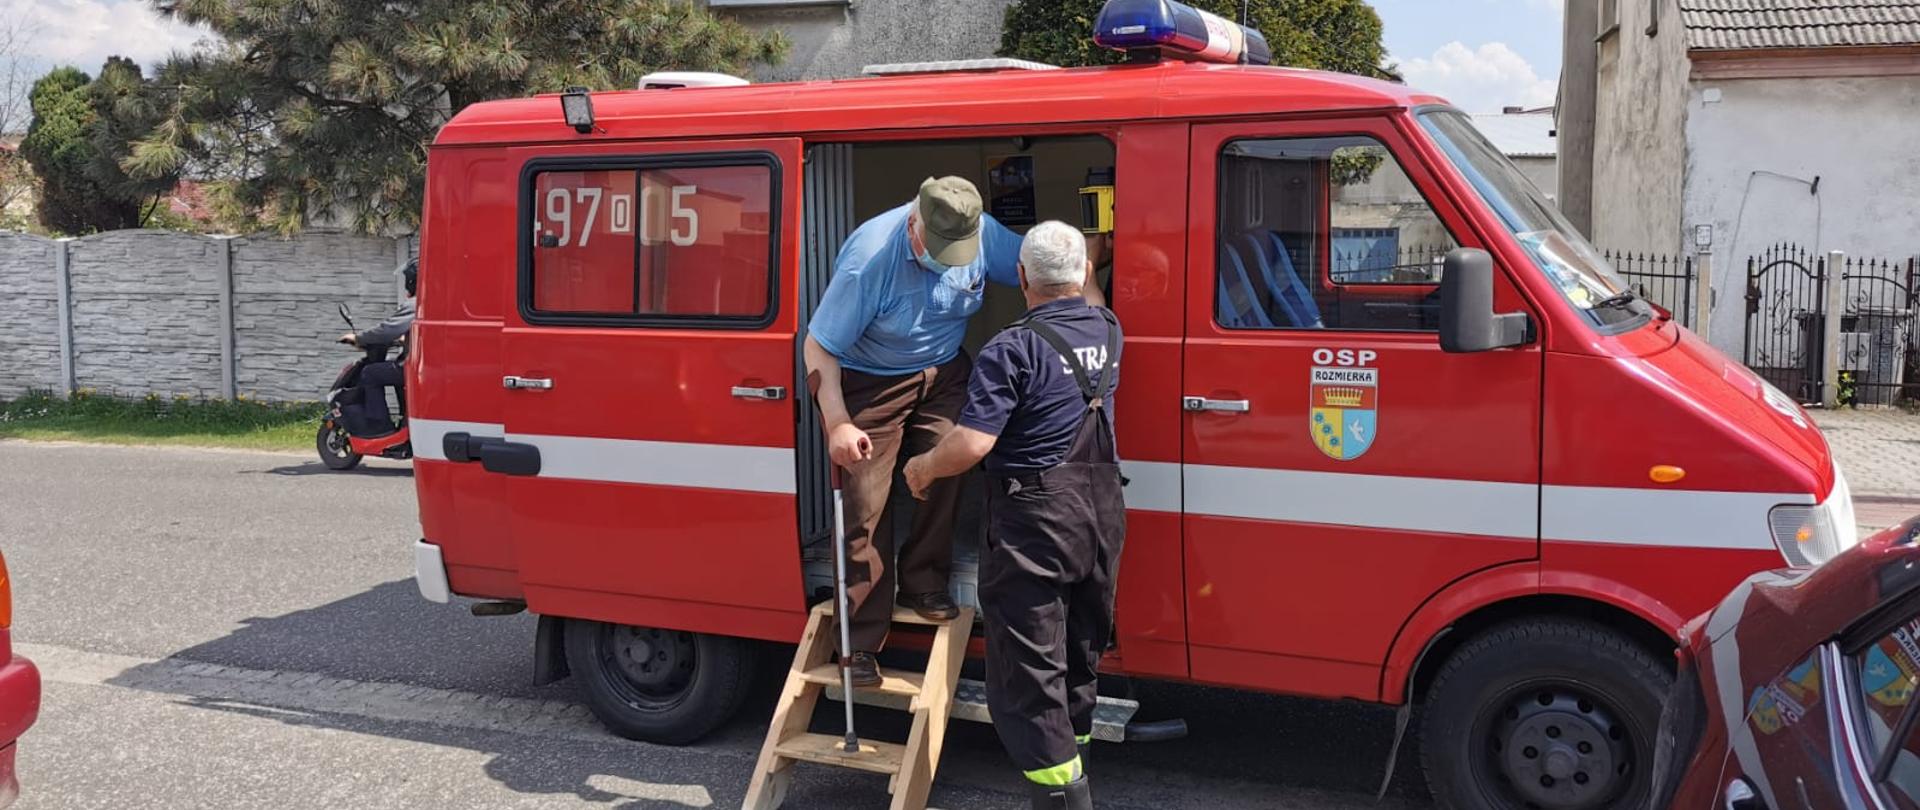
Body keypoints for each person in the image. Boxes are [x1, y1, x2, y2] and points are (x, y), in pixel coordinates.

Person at [805, 177, 1103, 688]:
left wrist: (1097, 250)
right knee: (864, 505)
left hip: (944, 371)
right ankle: (859, 641)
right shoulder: (869, 260)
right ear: (914, 225)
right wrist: (838, 423)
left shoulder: (979, 231)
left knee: (946, 471)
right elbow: (818, 347)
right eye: (940, 251)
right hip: (870, 380)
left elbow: (1046, 272)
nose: (950, 261)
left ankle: (923, 583)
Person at [902, 221, 1124, 810]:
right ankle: (1075, 765)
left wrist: (923, 467)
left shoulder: (1012, 348)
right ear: (1081, 274)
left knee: (1030, 671)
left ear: (1021, 277)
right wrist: (1096, 254)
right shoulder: (1107, 327)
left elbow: (973, 443)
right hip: (1100, 517)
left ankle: (1063, 797)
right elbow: (1090, 293)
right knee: (1079, 652)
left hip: (1034, 524)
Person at [338, 260, 417, 437]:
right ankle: (403, 419)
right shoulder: (430, 302)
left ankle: (379, 425)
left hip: (414, 367)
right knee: (389, 367)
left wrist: (358, 338)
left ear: (412, 281)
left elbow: (387, 329)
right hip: (422, 365)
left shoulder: (415, 304)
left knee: (370, 373)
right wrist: (403, 340)